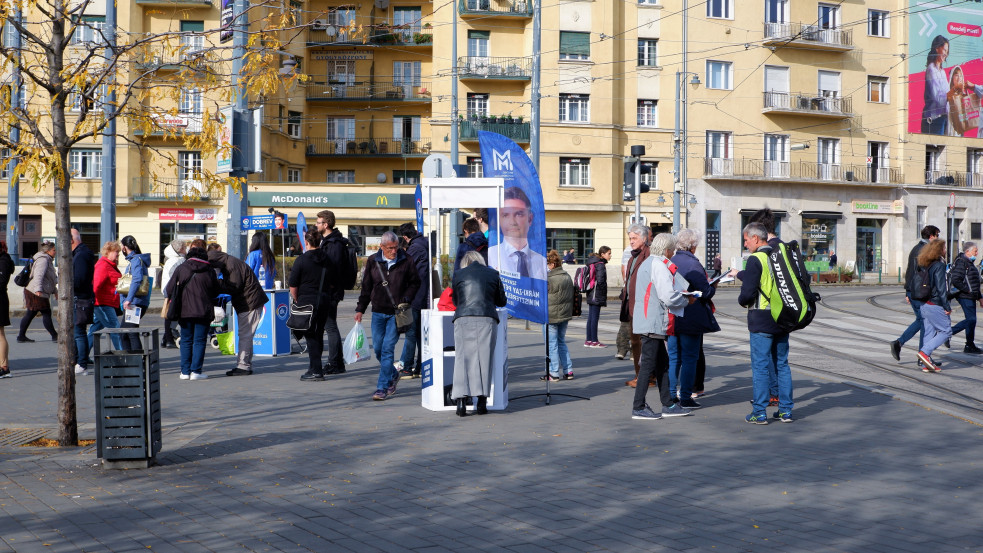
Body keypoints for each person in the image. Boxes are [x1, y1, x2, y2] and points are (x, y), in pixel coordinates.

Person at [630, 233, 694, 420]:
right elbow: (668, 296)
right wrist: (685, 300)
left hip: (648, 319)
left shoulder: (648, 263)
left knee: (661, 364)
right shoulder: (659, 265)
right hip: (653, 321)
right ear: (667, 250)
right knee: (650, 364)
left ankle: (668, 404)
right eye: (672, 250)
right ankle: (639, 406)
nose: (673, 253)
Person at [735, 222, 794, 424]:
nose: (745, 244)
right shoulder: (780, 256)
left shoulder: (756, 259)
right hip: (783, 317)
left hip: (761, 318)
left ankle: (759, 412)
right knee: (782, 364)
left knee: (760, 366)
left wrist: (742, 301)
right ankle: (786, 411)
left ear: (756, 239)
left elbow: (747, 293)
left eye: (746, 240)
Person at [355, 231, 420, 401]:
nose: (394, 251)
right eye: (390, 248)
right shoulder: (373, 261)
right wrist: (360, 309)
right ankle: (393, 373)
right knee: (377, 349)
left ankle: (382, 387)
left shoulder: (406, 260)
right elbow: (366, 287)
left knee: (387, 349)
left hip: (396, 313)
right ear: (381, 247)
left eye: (396, 247)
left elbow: (415, 282)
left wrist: (406, 298)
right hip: (378, 311)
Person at [667, 229, 720, 409]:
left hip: (673, 316)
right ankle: (686, 397)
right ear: (693, 245)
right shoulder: (693, 264)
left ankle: (672, 395)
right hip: (691, 315)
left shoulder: (671, 261)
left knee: (674, 357)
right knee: (690, 357)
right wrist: (715, 285)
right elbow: (706, 292)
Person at [450, 250, 507, 416]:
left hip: (463, 318)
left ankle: (461, 402)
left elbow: (456, 301)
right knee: (484, 358)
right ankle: (481, 402)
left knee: (462, 358)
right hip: (486, 318)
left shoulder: (458, 274)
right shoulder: (493, 274)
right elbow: (501, 300)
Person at [207, 242, 269, 376]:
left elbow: (234, 287)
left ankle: (243, 366)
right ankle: (245, 364)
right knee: (245, 335)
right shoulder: (230, 262)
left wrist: (216, 284)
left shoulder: (231, 266)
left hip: (249, 303)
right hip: (249, 302)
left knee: (245, 335)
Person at [165, 245, 219, 380]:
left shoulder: (181, 268)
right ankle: (196, 372)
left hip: (184, 311)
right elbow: (216, 291)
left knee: (186, 340)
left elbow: (169, 289)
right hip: (204, 311)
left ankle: (184, 372)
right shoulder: (210, 270)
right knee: (200, 341)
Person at [289, 229, 336, 381]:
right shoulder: (327, 259)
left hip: (306, 300)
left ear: (307, 242)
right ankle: (314, 367)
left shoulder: (302, 260)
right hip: (324, 299)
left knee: (310, 335)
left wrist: (296, 299)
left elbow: (293, 285)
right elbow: (332, 281)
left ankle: (316, 370)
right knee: (318, 333)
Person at [890, 225, 941, 363]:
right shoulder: (925, 251)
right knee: (926, 322)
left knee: (921, 320)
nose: (937, 238)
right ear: (931, 236)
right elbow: (922, 274)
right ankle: (923, 356)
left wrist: (908, 290)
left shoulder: (915, 248)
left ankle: (899, 343)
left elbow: (910, 271)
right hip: (920, 292)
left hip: (915, 291)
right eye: (936, 235)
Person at [312, 209, 350, 374]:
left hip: (329, 291)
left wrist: (328, 287)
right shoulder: (328, 241)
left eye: (318, 222)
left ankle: (334, 363)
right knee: (330, 325)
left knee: (330, 326)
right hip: (328, 290)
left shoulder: (333, 244)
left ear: (325, 225)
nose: (316, 225)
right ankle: (338, 363)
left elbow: (332, 268)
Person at [486, 187, 546, 279]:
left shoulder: (541, 262)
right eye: (505, 215)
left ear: (530, 219)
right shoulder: (490, 256)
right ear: (499, 220)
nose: (512, 222)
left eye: (519, 214)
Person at [396, 222, 430, 378]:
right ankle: (420, 367)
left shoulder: (415, 248)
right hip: (422, 295)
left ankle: (407, 367)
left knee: (411, 333)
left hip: (415, 296)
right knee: (418, 334)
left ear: (405, 237)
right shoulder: (423, 243)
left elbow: (405, 270)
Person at [622, 224, 651, 387]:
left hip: (643, 306)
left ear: (644, 238)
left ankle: (645, 377)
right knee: (635, 342)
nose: (631, 241)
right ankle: (639, 375)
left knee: (643, 342)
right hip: (632, 305)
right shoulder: (633, 257)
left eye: (634, 238)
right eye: (630, 238)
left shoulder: (648, 255)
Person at [916, 239, 951, 372]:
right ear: (939, 250)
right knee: (946, 331)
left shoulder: (927, 263)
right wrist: (947, 306)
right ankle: (925, 352)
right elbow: (941, 288)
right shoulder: (939, 265)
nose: (945, 250)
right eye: (944, 248)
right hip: (935, 303)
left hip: (924, 303)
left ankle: (926, 363)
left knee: (929, 332)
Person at [17, 241, 57, 343]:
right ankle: (55, 335)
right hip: (36, 291)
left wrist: (54, 291)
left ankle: (21, 336)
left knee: (31, 313)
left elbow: (50, 279)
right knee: (46, 312)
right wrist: (38, 289)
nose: (55, 252)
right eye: (54, 250)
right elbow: (39, 275)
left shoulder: (46, 259)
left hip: (35, 290)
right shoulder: (43, 260)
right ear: (48, 251)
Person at [544, 250, 574, 381]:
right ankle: (568, 370)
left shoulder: (549, 278)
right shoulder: (567, 276)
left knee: (551, 344)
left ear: (551, 264)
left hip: (551, 315)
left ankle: (553, 372)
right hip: (565, 314)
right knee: (561, 342)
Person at [89, 241, 123, 352]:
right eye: (116, 252)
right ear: (108, 252)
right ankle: (121, 354)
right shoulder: (103, 265)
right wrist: (93, 301)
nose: (118, 254)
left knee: (95, 329)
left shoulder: (109, 265)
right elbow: (96, 285)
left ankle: (81, 356)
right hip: (103, 303)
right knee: (114, 328)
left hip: (106, 302)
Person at [71, 229, 97, 375]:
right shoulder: (81, 253)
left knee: (79, 332)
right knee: (78, 332)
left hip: (79, 298)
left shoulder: (80, 255)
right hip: (81, 297)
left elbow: (79, 279)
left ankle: (81, 363)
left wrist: (68, 286)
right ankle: (79, 361)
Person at [119, 235, 151, 351]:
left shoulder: (136, 260)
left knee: (129, 332)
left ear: (124, 248)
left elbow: (137, 279)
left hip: (135, 302)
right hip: (135, 302)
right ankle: (133, 362)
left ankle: (135, 363)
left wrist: (128, 299)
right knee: (126, 333)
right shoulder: (135, 260)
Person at [950, 242, 982, 354]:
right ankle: (948, 333)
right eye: (975, 251)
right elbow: (955, 279)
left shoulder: (970, 262)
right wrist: (967, 289)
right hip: (964, 296)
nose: (977, 253)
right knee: (971, 319)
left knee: (972, 320)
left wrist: (980, 297)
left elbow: (974, 282)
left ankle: (969, 345)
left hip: (971, 296)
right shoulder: (962, 262)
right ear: (967, 251)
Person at [159, 240, 186, 349]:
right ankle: (169, 339)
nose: (186, 249)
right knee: (171, 315)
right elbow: (176, 278)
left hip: (168, 290)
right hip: (174, 291)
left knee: (170, 314)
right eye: (184, 247)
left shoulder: (170, 260)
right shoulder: (178, 260)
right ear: (179, 249)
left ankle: (166, 339)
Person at [922, 35, 950, 135]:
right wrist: (951, 94)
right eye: (944, 50)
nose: (946, 54)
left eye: (947, 51)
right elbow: (936, 97)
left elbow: (947, 93)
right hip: (933, 119)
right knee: (935, 147)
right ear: (937, 48)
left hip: (943, 117)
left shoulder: (942, 71)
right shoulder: (931, 69)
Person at [584, 246, 611, 348]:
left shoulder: (593, 262)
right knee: (594, 317)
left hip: (591, 292)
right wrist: (603, 291)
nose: (610, 256)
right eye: (609, 253)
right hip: (597, 293)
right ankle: (594, 341)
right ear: (602, 254)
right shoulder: (600, 264)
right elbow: (600, 281)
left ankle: (588, 340)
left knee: (591, 317)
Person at [615, 245, 634, 360]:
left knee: (626, 321)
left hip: (627, 289)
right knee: (632, 322)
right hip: (635, 290)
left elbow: (623, 269)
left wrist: (626, 285)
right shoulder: (645, 249)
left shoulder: (627, 249)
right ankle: (632, 351)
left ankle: (622, 349)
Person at [0, 241, 13, 378]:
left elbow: (2, 281)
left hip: (0, 300)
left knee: (0, 334)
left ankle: (4, 367)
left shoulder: (3, 261)